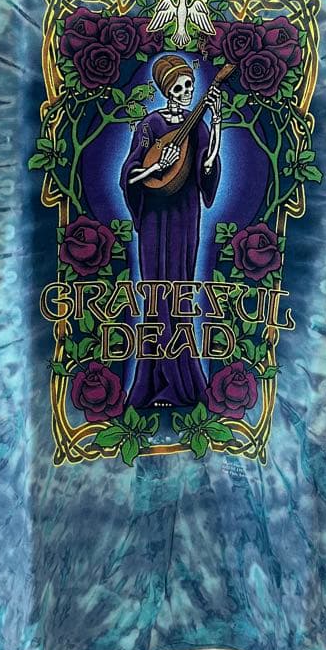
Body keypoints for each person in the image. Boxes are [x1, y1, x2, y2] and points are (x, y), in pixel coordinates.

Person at [120, 55, 222, 409]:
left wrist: (216, 124)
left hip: (185, 212)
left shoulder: (197, 125)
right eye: (178, 88)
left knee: (180, 287)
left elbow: (207, 166)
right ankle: (151, 382)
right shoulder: (150, 125)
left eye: (189, 86)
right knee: (155, 290)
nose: (186, 92)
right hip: (154, 215)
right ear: (167, 91)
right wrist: (156, 169)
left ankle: (183, 380)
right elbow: (130, 175)